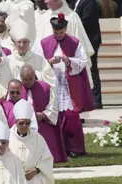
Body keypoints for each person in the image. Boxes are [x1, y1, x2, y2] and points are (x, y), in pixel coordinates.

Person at [35, 14, 92, 158]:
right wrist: (49, 62)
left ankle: (75, 148)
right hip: (52, 82)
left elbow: (82, 61)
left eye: (61, 32)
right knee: (54, 116)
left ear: (66, 29)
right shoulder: (44, 43)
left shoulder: (74, 42)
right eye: (56, 33)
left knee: (71, 116)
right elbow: (38, 62)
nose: (59, 35)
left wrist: (68, 61)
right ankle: (56, 148)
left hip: (68, 84)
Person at [9, 100, 55, 184]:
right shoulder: (7, 137)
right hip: (14, 179)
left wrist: (36, 170)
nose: (24, 126)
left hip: (32, 180)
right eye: (21, 123)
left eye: (27, 123)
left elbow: (47, 159)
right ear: (16, 122)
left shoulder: (37, 138)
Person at [20, 65, 67, 163]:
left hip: (42, 124)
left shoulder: (45, 87)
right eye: (25, 79)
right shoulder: (17, 89)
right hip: (22, 126)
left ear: (35, 76)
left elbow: (53, 107)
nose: (28, 82)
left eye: (30, 79)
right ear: (20, 78)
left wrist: (43, 115)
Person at [74, 0, 103, 108]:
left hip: (90, 41)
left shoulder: (89, 2)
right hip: (82, 41)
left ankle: (96, 100)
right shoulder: (76, 2)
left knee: (92, 68)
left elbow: (86, 21)